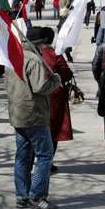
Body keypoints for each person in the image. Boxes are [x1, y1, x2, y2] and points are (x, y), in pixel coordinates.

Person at [4, 26, 61, 209]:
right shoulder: (35, 59)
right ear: (40, 43)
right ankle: (37, 196)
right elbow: (40, 87)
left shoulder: (13, 56)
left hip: (17, 113)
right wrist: (56, 81)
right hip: (34, 115)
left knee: (23, 156)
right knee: (45, 156)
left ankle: (22, 196)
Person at [41, 27, 74, 172]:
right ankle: (48, 161)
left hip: (37, 94)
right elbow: (67, 74)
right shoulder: (55, 53)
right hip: (55, 96)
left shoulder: (34, 54)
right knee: (53, 129)